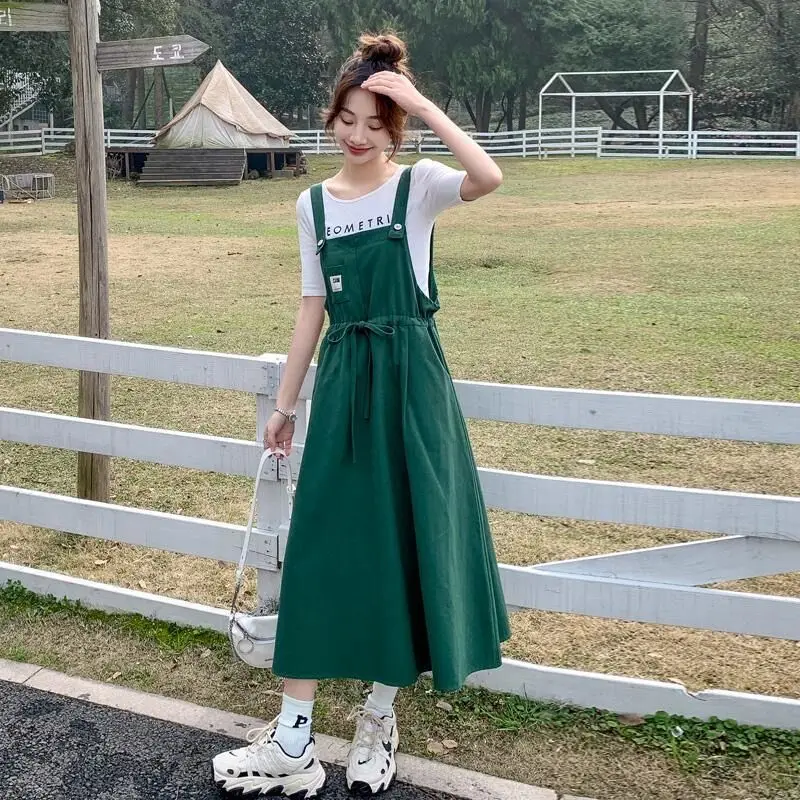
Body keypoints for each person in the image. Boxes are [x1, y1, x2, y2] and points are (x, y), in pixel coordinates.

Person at [213, 31, 510, 799]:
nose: (357, 135)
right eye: (347, 118)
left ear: (395, 129)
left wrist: (423, 104)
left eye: (375, 123)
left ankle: (379, 716)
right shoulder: (311, 204)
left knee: (407, 543)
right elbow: (311, 307)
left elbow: (489, 176)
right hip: (346, 384)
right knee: (320, 546)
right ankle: (293, 739)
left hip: (413, 388)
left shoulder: (420, 188)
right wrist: (286, 406)